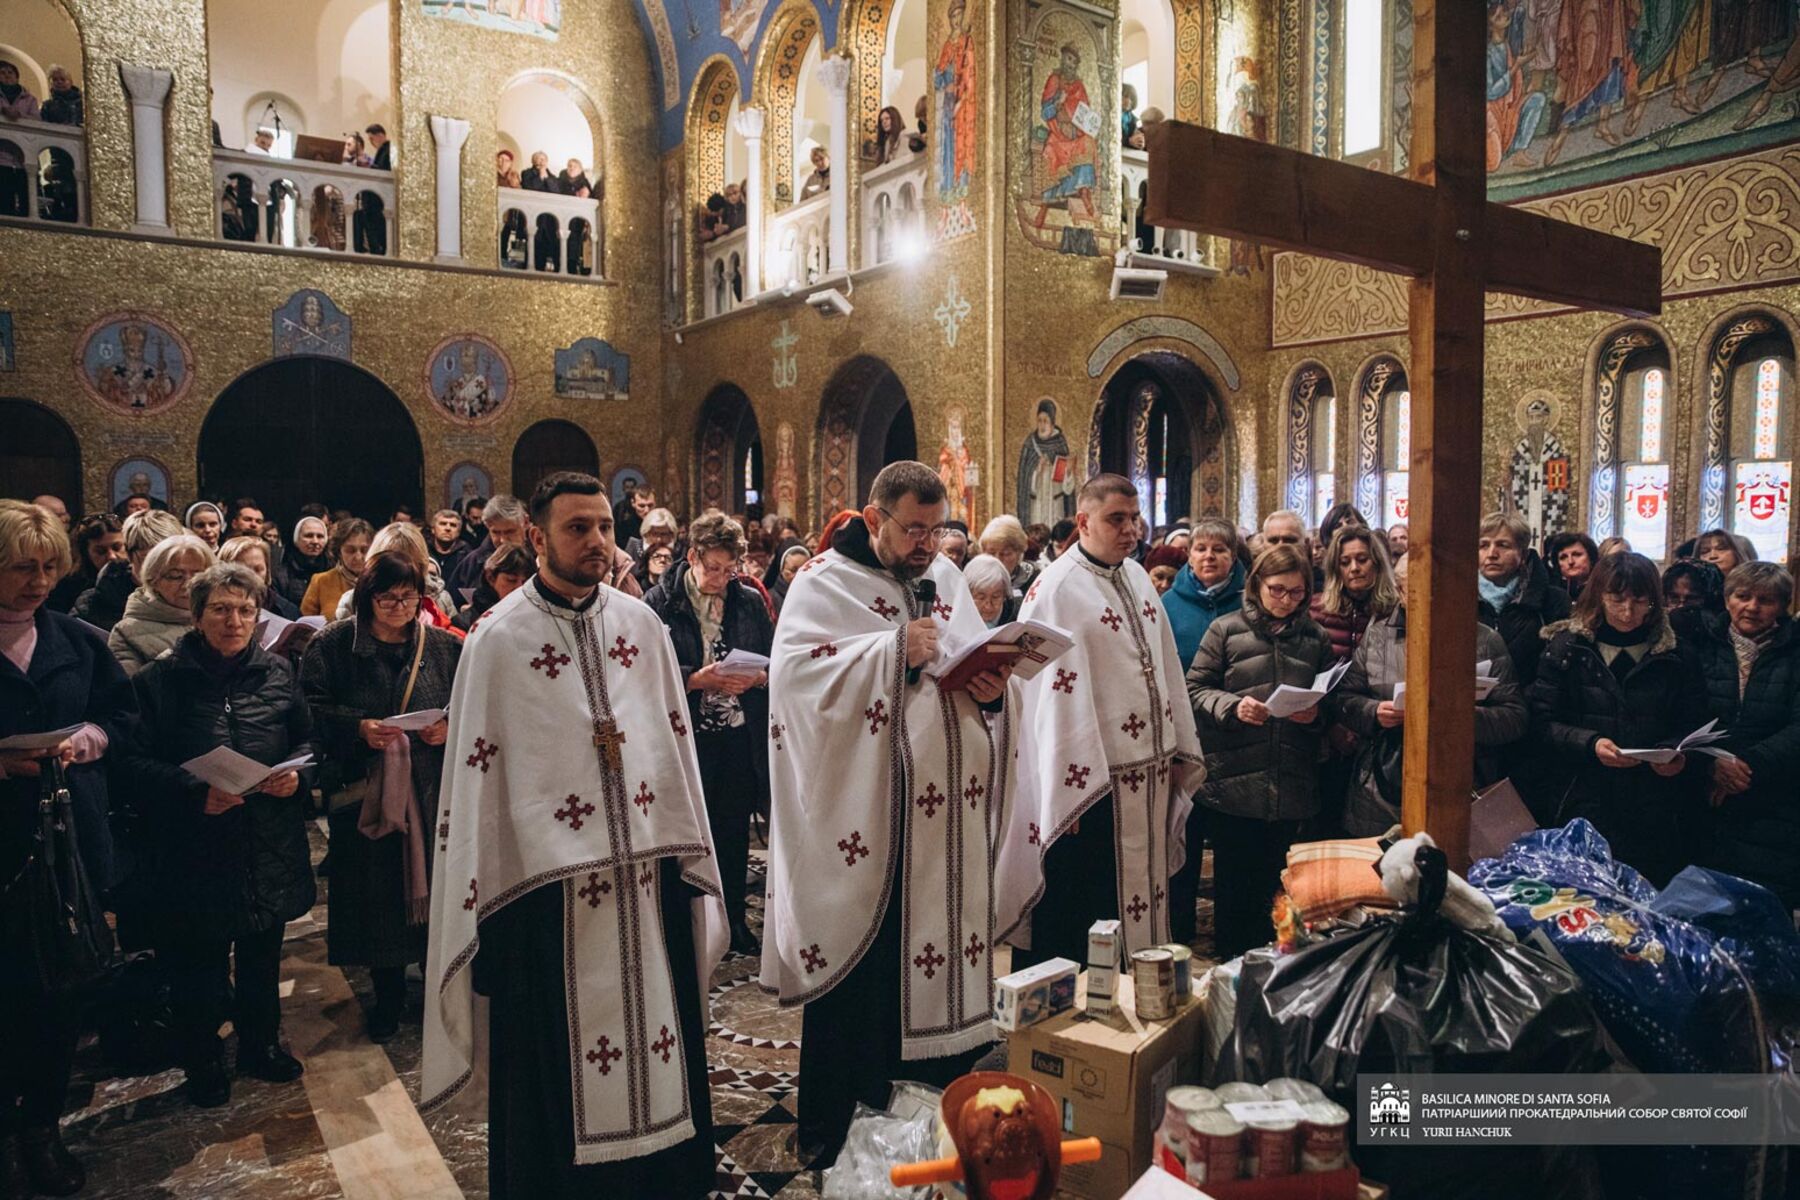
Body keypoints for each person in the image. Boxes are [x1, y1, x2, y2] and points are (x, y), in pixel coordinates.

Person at [422, 472, 724, 1198]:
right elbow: (481, 783)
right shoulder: (497, 641)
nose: (596, 542)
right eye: (576, 528)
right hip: (545, 901)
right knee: (552, 1073)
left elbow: (669, 746)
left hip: (643, 883)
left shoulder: (639, 625)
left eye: (601, 527)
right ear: (536, 536)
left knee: (662, 1039)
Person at [765, 462, 1018, 1166]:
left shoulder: (943, 581)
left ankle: (933, 1128)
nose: (927, 543)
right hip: (865, 829)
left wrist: (993, 691)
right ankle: (838, 1133)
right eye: (914, 528)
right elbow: (795, 683)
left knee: (939, 964)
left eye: (936, 529)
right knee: (863, 978)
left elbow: (966, 669)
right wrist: (889, 653)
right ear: (875, 518)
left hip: (944, 832)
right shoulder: (822, 583)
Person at [120, 562, 314, 1108]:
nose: (235, 621)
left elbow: (305, 740)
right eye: (221, 610)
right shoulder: (158, 681)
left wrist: (296, 780)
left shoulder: (278, 675)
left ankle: (260, 1045)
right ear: (197, 614)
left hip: (265, 840)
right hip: (193, 846)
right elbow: (130, 763)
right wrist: (189, 792)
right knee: (198, 963)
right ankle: (202, 1058)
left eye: (246, 610)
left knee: (261, 954)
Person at [1009, 474, 1206, 966]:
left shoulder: (1137, 576)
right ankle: (1080, 1029)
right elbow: (1045, 695)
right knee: (1085, 910)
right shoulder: (1054, 589)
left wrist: (1179, 746)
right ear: (1083, 522)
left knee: (1142, 901)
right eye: (1116, 519)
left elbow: (1164, 667)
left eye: (1134, 519)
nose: (1130, 530)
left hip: (1148, 776)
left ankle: (1141, 1010)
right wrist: (1062, 789)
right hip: (1092, 787)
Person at [0, 502, 132, 1197]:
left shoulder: (77, 640)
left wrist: (91, 740)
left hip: (66, 847)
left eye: (50, 567)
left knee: (54, 997)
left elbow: (121, 716)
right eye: (23, 567)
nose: (39, 581)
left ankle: (42, 1129)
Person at [301, 553, 460, 1042]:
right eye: (386, 597)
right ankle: (387, 996)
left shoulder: (442, 647)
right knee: (379, 900)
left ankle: (440, 989)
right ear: (367, 597)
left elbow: (470, 704)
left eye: (408, 597)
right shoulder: (332, 644)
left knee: (437, 889)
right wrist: (357, 729)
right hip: (367, 792)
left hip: (431, 789)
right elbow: (307, 710)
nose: (397, 606)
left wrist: (448, 729)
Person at [1527, 552, 1707, 884]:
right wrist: (1590, 743)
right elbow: (1540, 722)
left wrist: (1676, 754)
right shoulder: (1568, 649)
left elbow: (1695, 722)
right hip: (1582, 793)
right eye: (1617, 599)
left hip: (1653, 804)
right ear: (1599, 596)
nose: (1628, 612)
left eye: (1640, 601)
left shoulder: (1676, 654)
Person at [1186, 544, 1331, 958]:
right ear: (1256, 587)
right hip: (1235, 781)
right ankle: (1233, 969)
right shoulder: (1227, 631)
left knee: (1281, 893)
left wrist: (1314, 716)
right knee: (1235, 890)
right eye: (1277, 590)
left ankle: (1279, 972)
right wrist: (1233, 705)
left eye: (1297, 593)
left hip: (1292, 780)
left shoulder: (1314, 638)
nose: (1286, 601)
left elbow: (1328, 702)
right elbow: (1195, 688)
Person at [643, 514, 773, 954]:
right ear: (693, 556)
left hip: (737, 734)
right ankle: (688, 923)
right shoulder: (659, 603)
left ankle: (733, 920)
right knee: (689, 832)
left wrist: (755, 678)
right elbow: (645, 670)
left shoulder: (749, 601)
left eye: (729, 568)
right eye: (712, 567)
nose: (720, 578)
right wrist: (697, 678)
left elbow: (773, 659)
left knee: (732, 830)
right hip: (687, 736)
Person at [1334, 552, 1528, 837]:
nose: (1426, 598)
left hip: (1462, 781)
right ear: (1400, 592)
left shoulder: (1484, 640)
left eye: (1434, 588)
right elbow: (1344, 699)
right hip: (1382, 785)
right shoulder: (1377, 638)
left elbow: (1515, 717)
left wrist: (1460, 716)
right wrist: (1374, 712)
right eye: (1413, 589)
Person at [1683, 563, 1800, 904]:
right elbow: (1685, 711)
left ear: (1782, 605)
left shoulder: (1795, 650)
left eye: (1766, 599)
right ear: (1726, 598)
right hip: (1705, 790)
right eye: (1743, 596)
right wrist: (1713, 764)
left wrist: (1746, 764)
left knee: (1765, 906)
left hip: (1774, 794)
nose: (1752, 607)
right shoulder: (1700, 643)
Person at [1477, 511, 1570, 686]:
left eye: (1503, 545)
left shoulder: (1552, 600)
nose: (1491, 554)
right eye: (1483, 545)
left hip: (1532, 704)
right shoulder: (1459, 600)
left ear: (1523, 554)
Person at [110, 534, 214, 676]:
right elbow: (130, 691)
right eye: (176, 576)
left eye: (199, 576)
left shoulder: (227, 619)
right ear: (153, 580)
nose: (189, 585)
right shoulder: (126, 633)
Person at [76, 509, 182, 632]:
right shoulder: (93, 604)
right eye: (149, 560)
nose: (160, 571)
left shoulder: (197, 596)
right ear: (130, 555)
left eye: (170, 562)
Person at [1162, 516, 1246, 672]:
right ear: (1190, 556)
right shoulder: (1168, 603)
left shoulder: (1250, 600)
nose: (1209, 556)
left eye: (1219, 549)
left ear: (1233, 556)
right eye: (1201, 549)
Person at [1311, 525, 1398, 664]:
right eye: (1344, 562)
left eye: (1362, 559)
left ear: (1377, 563)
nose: (1354, 568)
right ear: (1336, 569)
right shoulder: (1317, 610)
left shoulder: (1395, 611)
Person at [448, 494, 527, 597]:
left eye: (510, 532)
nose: (503, 540)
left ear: (525, 522)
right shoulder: (473, 562)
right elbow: (450, 602)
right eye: (496, 532)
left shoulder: (542, 558)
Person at [48, 513, 125, 614]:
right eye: (101, 551)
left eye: (117, 548)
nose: (112, 556)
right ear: (86, 553)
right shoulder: (66, 587)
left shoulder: (138, 580)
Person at [302, 519, 372, 619]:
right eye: (350, 550)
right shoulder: (321, 581)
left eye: (364, 550)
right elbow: (305, 626)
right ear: (339, 551)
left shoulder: (381, 582)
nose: (358, 556)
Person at [453, 544, 531, 633]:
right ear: (490, 577)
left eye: (525, 582)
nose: (519, 588)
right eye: (511, 580)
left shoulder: (534, 617)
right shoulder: (464, 623)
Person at [219, 535, 299, 619]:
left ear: (267, 570)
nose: (252, 576)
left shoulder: (288, 611)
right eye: (243, 570)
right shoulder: (210, 607)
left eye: (258, 569)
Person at [277, 516, 332, 607]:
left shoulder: (333, 571)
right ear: (296, 540)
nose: (315, 541)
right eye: (309, 536)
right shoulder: (281, 576)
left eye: (320, 536)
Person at [979, 514, 1036, 596]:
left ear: (1019, 554)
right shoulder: (975, 580)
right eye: (991, 553)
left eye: (1005, 554)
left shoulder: (1034, 581)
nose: (997, 559)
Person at [963, 553, 1017, 628]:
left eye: (995, 597)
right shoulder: (955, 616)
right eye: (981, 598)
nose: (988, 606)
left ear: (1005, 595)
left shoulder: (1018, 616)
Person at [1544, 531, 1599, 601]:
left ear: (1591, 557)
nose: (1570, 561)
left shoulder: (1603, 589)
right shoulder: (1553, 595)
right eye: (1563, 557)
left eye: (1577, 554)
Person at [764, 542, 810, 612]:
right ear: (782, 570)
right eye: (793, 570)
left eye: (804, 569)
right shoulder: (769, 598)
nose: (798, 574)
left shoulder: (815, 594)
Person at [427, 508, 469, 584]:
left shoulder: (467, 555)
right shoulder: (423, 551)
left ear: (458, 532)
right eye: (443, 524)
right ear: (433, 529)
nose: (448, 528)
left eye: (453, 525)